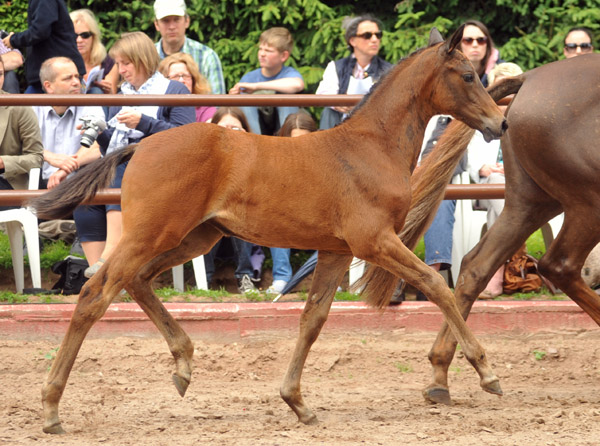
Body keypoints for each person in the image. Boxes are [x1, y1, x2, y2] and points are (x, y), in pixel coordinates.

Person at [74, 32, 195, 277]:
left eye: (126, 63)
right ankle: (102, 279)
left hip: (164, 174)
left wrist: (144, 123)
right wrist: (97, 131)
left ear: (142, 60)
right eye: (118, 64)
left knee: (121, 170)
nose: (121, 70)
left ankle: (110, 257)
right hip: (127, 168)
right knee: (85, 192)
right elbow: (110, 149)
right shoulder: (121, 96)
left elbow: (187, 140)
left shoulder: (174, 89)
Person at [415, 20, 502, 302]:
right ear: (457, 47)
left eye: (481, 40)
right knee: (438, 181)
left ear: (488, 47)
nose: (474, 45)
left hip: (480, 156)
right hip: (438, 153)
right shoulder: (443, 78)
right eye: (468, 40)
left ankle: (453, 273)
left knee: (448, 179)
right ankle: (428, 274)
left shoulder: (498, 80)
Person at [467, 62, 523, 299]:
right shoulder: (480, 116)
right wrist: (483, 167)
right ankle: (506, 267)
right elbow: (470, 156)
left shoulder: (529, 115)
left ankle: (494, 272)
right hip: (489, 182)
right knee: (499, 189)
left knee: (501, 204)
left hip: (523, 185)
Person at [204, 107, 258, 294]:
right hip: (210, 218)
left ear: (245, 131)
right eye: (222, 128)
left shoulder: (256, 155)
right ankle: (204, 281)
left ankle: (245, 277)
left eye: (234, 128)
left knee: (239, 215)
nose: (228, 133)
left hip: (242, 223)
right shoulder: (204, 156)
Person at [34, 57, 105, 190]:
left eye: (77, 77)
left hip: (79, 184)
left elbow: (96, 146)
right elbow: (20, 145)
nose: (76, 82)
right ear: (49, 86)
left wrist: (66, 168)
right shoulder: (32, 109)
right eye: (68, 78)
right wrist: (50, 157)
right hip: (38, 183)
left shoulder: (91, 106)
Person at [316, 14, 392, 129]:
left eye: (378, 35)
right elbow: (322, 94)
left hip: (374, 128)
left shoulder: (389, 70)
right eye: (367, 35)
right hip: (340, 127)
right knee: (329, 111)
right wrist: (337, 103)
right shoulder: (336, 67)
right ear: (352, 41)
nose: (375, 39)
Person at [229, 27, 304, 136]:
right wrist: (234, 96)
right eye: (261, 49)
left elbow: (297, 85)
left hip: (283, 129)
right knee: (244, 99)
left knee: (287, 98)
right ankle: (255, 143)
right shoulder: (249, 77)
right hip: (256, 132)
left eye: (268, 50)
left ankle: (287, 144)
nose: (262, 54)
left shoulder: (289, 74)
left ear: (284, 56)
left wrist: (256, 87)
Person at [2, 0, 85, 94]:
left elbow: (40, 31)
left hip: (59, 74)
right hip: (50, 74)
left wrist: (13, 40)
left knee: (26, 106)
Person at [0, 56, 44, 210]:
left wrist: (4, 162)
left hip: (6, 182)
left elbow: (37, 157)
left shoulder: (19, 106)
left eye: (0, 74)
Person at [153, 0, 225, 95]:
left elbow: (218, 103)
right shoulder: (147, 58)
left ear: (187, 21)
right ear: (157, 24)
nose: (171, 26)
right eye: (165, 20)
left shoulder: (206, 56)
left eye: (176, 19)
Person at [70, 9, 120, 95]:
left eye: (85, 35)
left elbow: (112, 96)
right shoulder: (60, 63)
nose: (79, 40)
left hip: (100, 105)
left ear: (94, 37)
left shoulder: (107, 62)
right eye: (74, 35)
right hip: (71, 106)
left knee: (96, 91)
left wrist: (107, 90)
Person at [158, 52, 216, 122]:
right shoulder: (156, 107)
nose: (181, 80)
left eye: (185, 76)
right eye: (175, 76)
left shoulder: (205, 108)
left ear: (193, 80)